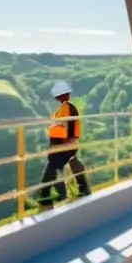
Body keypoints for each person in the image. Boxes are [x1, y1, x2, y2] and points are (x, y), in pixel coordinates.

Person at [37, 80, 91, 208]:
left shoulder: (68, 108)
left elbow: (68, 127)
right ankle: (82, 189)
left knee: (51, 169)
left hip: (63, 145)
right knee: (63, 165)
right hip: (62, 145)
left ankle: (45, 197)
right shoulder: (64, 108)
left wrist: (66, 144)